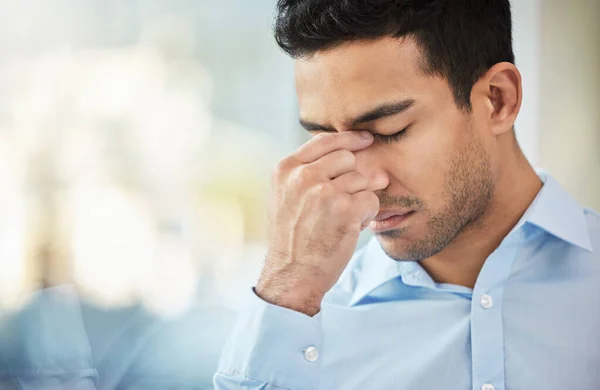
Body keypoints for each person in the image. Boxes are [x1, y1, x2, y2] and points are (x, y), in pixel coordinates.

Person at [214, 1, 600, 389]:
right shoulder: (299, 331)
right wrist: (287, 284)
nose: (361, 178)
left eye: (388, 130)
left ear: (498, 99)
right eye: (325, 140)